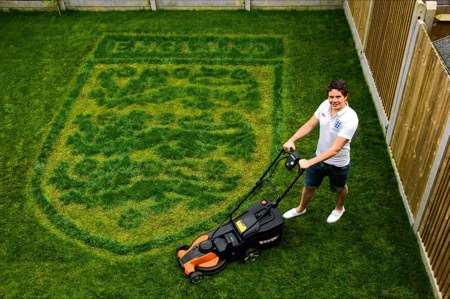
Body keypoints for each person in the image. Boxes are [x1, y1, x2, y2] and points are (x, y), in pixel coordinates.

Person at [282, 80, 358, 223]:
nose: (334, 101)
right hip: (319, 156)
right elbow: (310, 125)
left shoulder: (350, 118)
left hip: (338, 164)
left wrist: (309, 162)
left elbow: (335, 149)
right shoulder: (325, 105)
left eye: (338, 97)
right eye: (331, 97)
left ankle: (339, 208)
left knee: (339, 188)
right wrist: (292, 139)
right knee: (309, 185)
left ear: (346, 96)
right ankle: (300, 208)